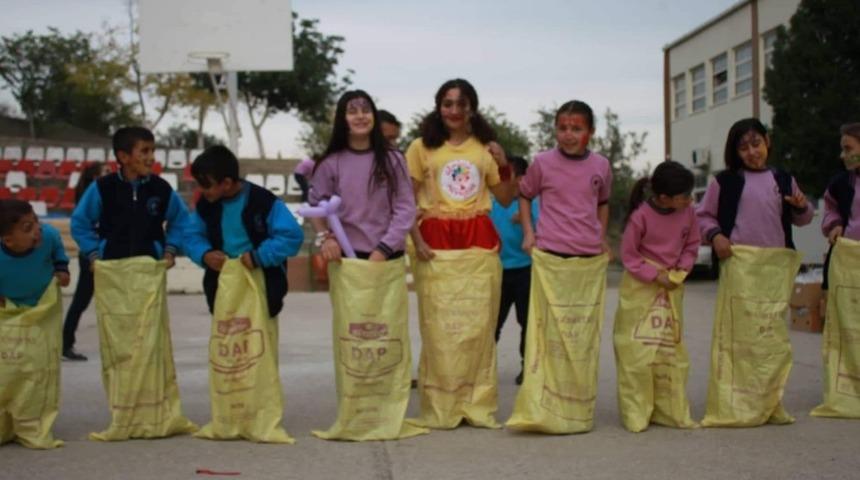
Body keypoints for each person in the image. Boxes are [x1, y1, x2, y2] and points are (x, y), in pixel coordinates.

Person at [307, 90, 425, 441]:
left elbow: (405, 208)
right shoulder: (330, 163)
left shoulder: (391, 159)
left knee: (386, 337)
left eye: (365, 110)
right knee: (354, 338)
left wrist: (383, 248)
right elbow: (316, 206)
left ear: (373, 117)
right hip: (348, 262)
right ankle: (356, 409)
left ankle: (390, 411)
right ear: (342, 118)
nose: (359, 116)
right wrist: (325, 238)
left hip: (385, 260)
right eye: (352, 111)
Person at [71, 126, 196, 440]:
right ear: (123, 157)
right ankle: (124, 410)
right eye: (144, 152)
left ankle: (155, 411)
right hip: (113, 273)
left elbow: (181, 221)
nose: (151, 158)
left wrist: (168, 249)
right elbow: (80, 223)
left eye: (153, 151)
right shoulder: (102, 188)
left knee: (150, 341)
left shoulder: (161, 189)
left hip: (147, 274)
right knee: (120, 343)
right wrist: (94, 253)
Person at [405, 78, 514, 430]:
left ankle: (476, 404)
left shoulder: (485, 148)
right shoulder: (421, 147)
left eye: (461, 104)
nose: (454, 110)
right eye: (448, 103)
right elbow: (406, 200)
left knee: (478, 325)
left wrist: (504, 162)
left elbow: (507, 197)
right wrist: (416, 239)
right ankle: (441, 405)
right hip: (436, 236)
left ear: (471, 109)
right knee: (439, 326)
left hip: (477, 237)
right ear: (439, 107)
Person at [696, 117, 813, 427]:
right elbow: (702, 217)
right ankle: (734, 403)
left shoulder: (783, 179)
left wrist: (801, 206)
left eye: (756, 144)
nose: (752, 152)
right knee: (738, 338)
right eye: (744, 147)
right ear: (735, 151)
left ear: (768, 142)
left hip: (774, 270)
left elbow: (804, 218)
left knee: (770, 338)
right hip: (740, 268)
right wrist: (716, 235)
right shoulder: (725, 182)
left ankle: (769, 402)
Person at [184, 145, 304, 442]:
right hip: (224, 285)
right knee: (230, 346)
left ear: (226, 183)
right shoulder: (205, 205)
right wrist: (203, 254)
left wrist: (260, 256)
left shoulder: (263, 201)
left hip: (261, 282)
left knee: (258, 347)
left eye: (206, 185)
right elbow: (191, 235)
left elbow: (291, 236)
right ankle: (231, 412)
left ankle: (261, 411)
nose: (202, 191)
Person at [506, 100, 612, 434]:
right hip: (550, 256)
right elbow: (524, 195)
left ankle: (576, 404)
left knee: (579, 332)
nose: (568, 135)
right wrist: (528, 232)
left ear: (590, 132)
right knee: (549, 333)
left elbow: (603, 203)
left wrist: (601, 236)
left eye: (576, 128)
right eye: (563, 128)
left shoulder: (601, 166)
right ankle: (545, 402)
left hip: (586, 260)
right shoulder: (541, 163)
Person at [613, 160, 699, 432]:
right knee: (637, 352)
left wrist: (682, 268)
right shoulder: (641, 217)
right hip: (641, 289)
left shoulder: (688, 212)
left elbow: (692, 244)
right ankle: (636, 411)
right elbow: (629, 256)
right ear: (663, 198)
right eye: (684, 196)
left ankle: (670, 410)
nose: (689, 200)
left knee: (669, 352)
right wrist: (655, 275)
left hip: (671, 287)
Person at [0, 199, 70, 449]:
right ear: (8, 240)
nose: (37, 230)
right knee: (8, 368)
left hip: (42, 309)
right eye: (28, 228)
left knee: (38, 367)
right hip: (7, 312)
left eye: (36, 222)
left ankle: (33, 422)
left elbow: (58, 254)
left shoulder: (49, 236)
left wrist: (62, 270)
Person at [811, 122, 860, 419]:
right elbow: (829, 210)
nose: (843, 155)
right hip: (848, 265)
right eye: (843, 149)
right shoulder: (841, 183)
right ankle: (848, 386)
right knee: (849, 327)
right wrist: (833, 225)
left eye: (848, 148)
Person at [488, 155, 537, 385]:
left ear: (522, 178)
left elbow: (544, 231)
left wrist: (528, 223)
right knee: (491, 323)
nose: (505, 180)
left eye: (509, 175)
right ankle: (483, 368)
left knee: (527, 322)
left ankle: (527, 368)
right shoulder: (493, 202)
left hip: (525, 271)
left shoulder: (532, 204)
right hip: (497, 271)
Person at [61, 162, 105, 361]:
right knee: (81, 300)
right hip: (94, 254)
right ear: (96, 177)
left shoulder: (87, 194)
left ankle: (65, 341)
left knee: (81, 300)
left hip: (90, 253)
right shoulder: (96, 195)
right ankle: (65, 342)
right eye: (105, 172)